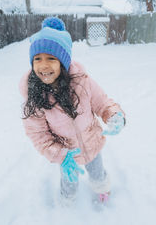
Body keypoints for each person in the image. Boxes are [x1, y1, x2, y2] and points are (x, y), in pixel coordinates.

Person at [19, 17, 125, 205]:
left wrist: (114, 114)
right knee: (69, 181)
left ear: (64, 62)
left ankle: (102, 190)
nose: (43, 65)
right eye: (37, 59)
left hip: (92, 144)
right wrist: (60, 155)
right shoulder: (35, 98)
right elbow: (39, 136)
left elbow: (102, 102)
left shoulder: (82, 82)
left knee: (98, 173)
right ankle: (67, 200)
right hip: (67, 152)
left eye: (51, 58)